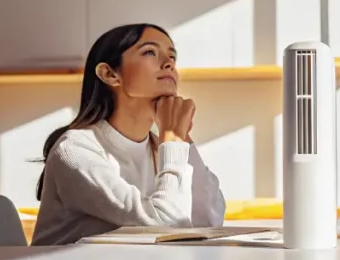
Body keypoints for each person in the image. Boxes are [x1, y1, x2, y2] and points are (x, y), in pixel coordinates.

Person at [30, 23, 226, 246]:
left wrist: (181, 137)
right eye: (150, 52)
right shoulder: (75, 150)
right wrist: (173, 137)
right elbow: (169, 226)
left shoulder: (158, 145)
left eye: (172, 57)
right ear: (110, 74)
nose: (169, 63)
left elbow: (210, 219)